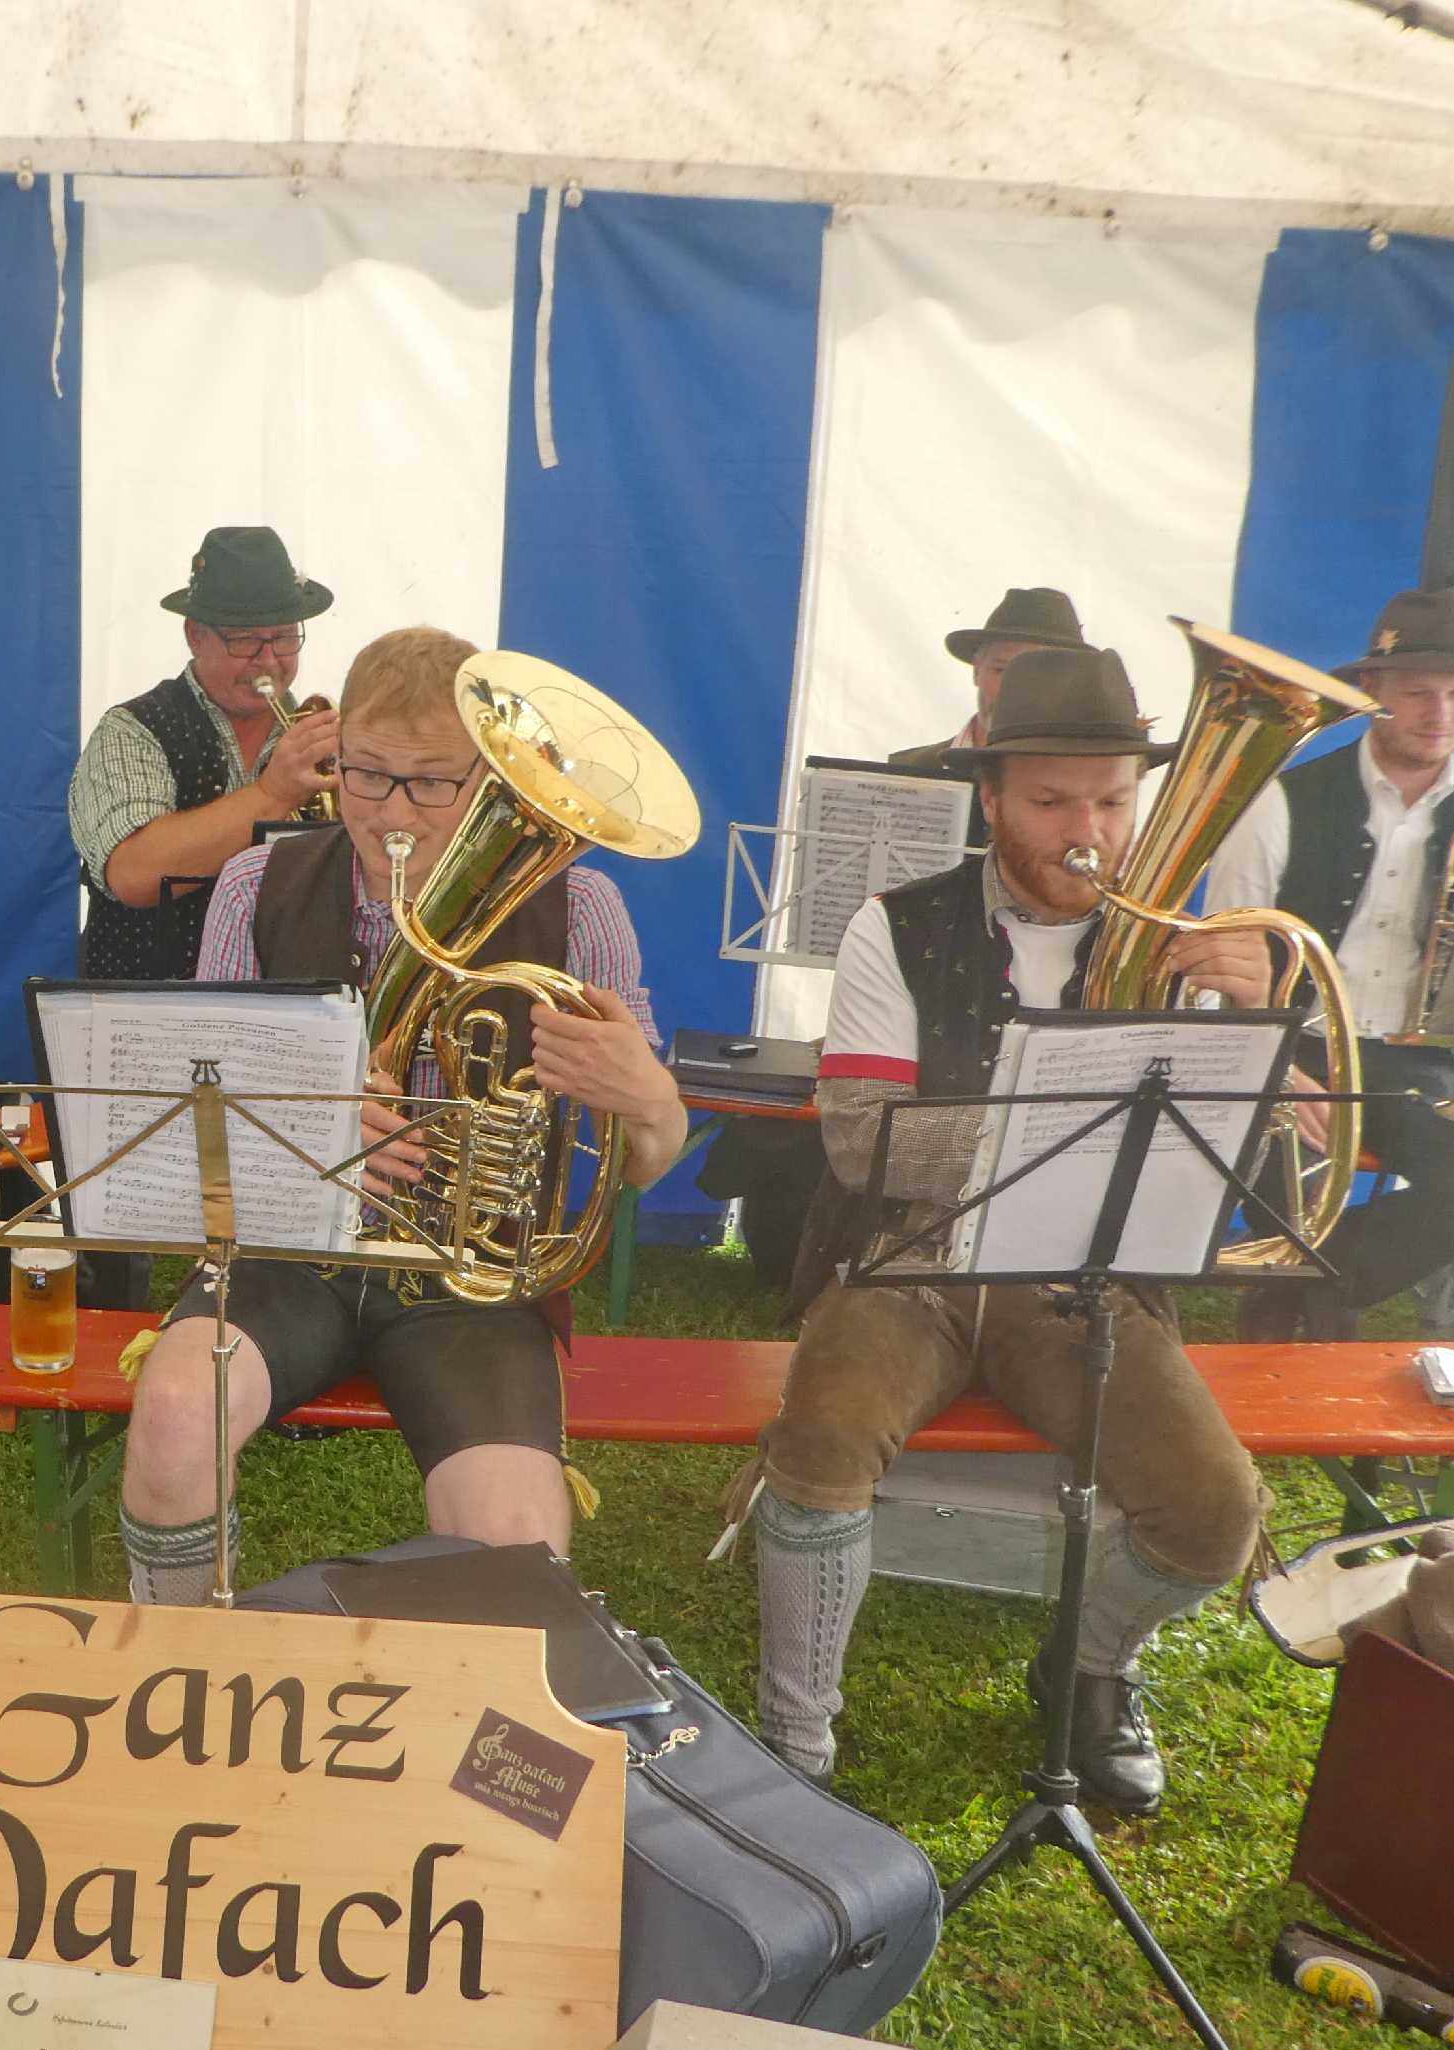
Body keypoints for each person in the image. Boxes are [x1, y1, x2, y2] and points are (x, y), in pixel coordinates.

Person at [745, 646, 1266, 1810]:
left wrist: (1257, 1023)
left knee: (1214, 1512)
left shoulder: (1188, 949)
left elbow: (1238, 1171)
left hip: (1078, 1279)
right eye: (1050, 801)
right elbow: (861, 1142)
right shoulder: (894, 926)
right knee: (821, 1437)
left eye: (1112, 802)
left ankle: (1085, 1667)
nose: (1087, 832)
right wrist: (1048, 1116)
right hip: (911, 1256)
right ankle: (794, 1744)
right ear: (989, 800)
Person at [112, 626, 690, 1604]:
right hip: (289, 1250)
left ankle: (433, 1697)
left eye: (431, 784)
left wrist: (649, 1098)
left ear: (494, 778)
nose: (390, 811)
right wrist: (310, 1130)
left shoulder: (581, 909)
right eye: (366, 775)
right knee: (172, 1415)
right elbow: (198, 1116)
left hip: (472, 1275)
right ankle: (182, 1665)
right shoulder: (256, 885)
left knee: (514, 1539)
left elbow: (648, 1160)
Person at [1187, 587, 1454, 1339]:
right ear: (1372, 689)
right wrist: (1277, 1069)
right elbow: (1228, 962)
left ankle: (1288, 1295)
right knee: (1295, 1196)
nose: (1440, 714)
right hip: (1298, 1051)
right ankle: (1311, 1324)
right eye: (1418, 693)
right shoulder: (1278, 802)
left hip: (1424, 1065)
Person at [68, 525, 343, 982]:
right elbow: (134, 873)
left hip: (291, 1005)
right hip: (149, 1005)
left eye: (283, 638)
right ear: (195, 635)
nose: (268, 660)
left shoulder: (321, 737)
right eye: (245, 640)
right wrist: (274, 794)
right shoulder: (132, 729)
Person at [887, 586, 1094, 851]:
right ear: (977, 671)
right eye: (1002, 670)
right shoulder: (906, 771)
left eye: (1041, 675)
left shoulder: (1096, 788)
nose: (1015, 691)